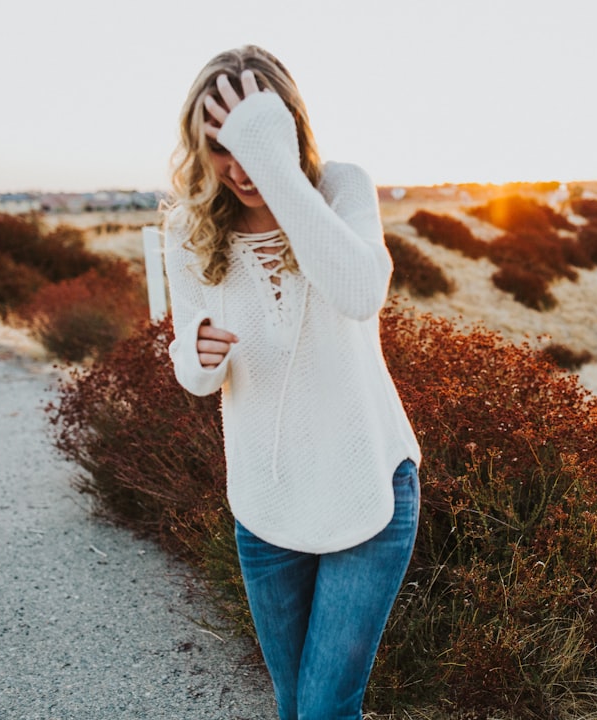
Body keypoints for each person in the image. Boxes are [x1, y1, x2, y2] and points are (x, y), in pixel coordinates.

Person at [163, 45, 422, 720]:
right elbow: (192, 373)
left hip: (367, 489)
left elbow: (361, 291)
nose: (239, 167)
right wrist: (195, 351)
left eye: (254, 140)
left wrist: (276, 167)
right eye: (221, 146)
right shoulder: (187, 230)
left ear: (287, 128)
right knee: (293, 706)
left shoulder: (340, 188)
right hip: (268, 503)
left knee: (326, 709)